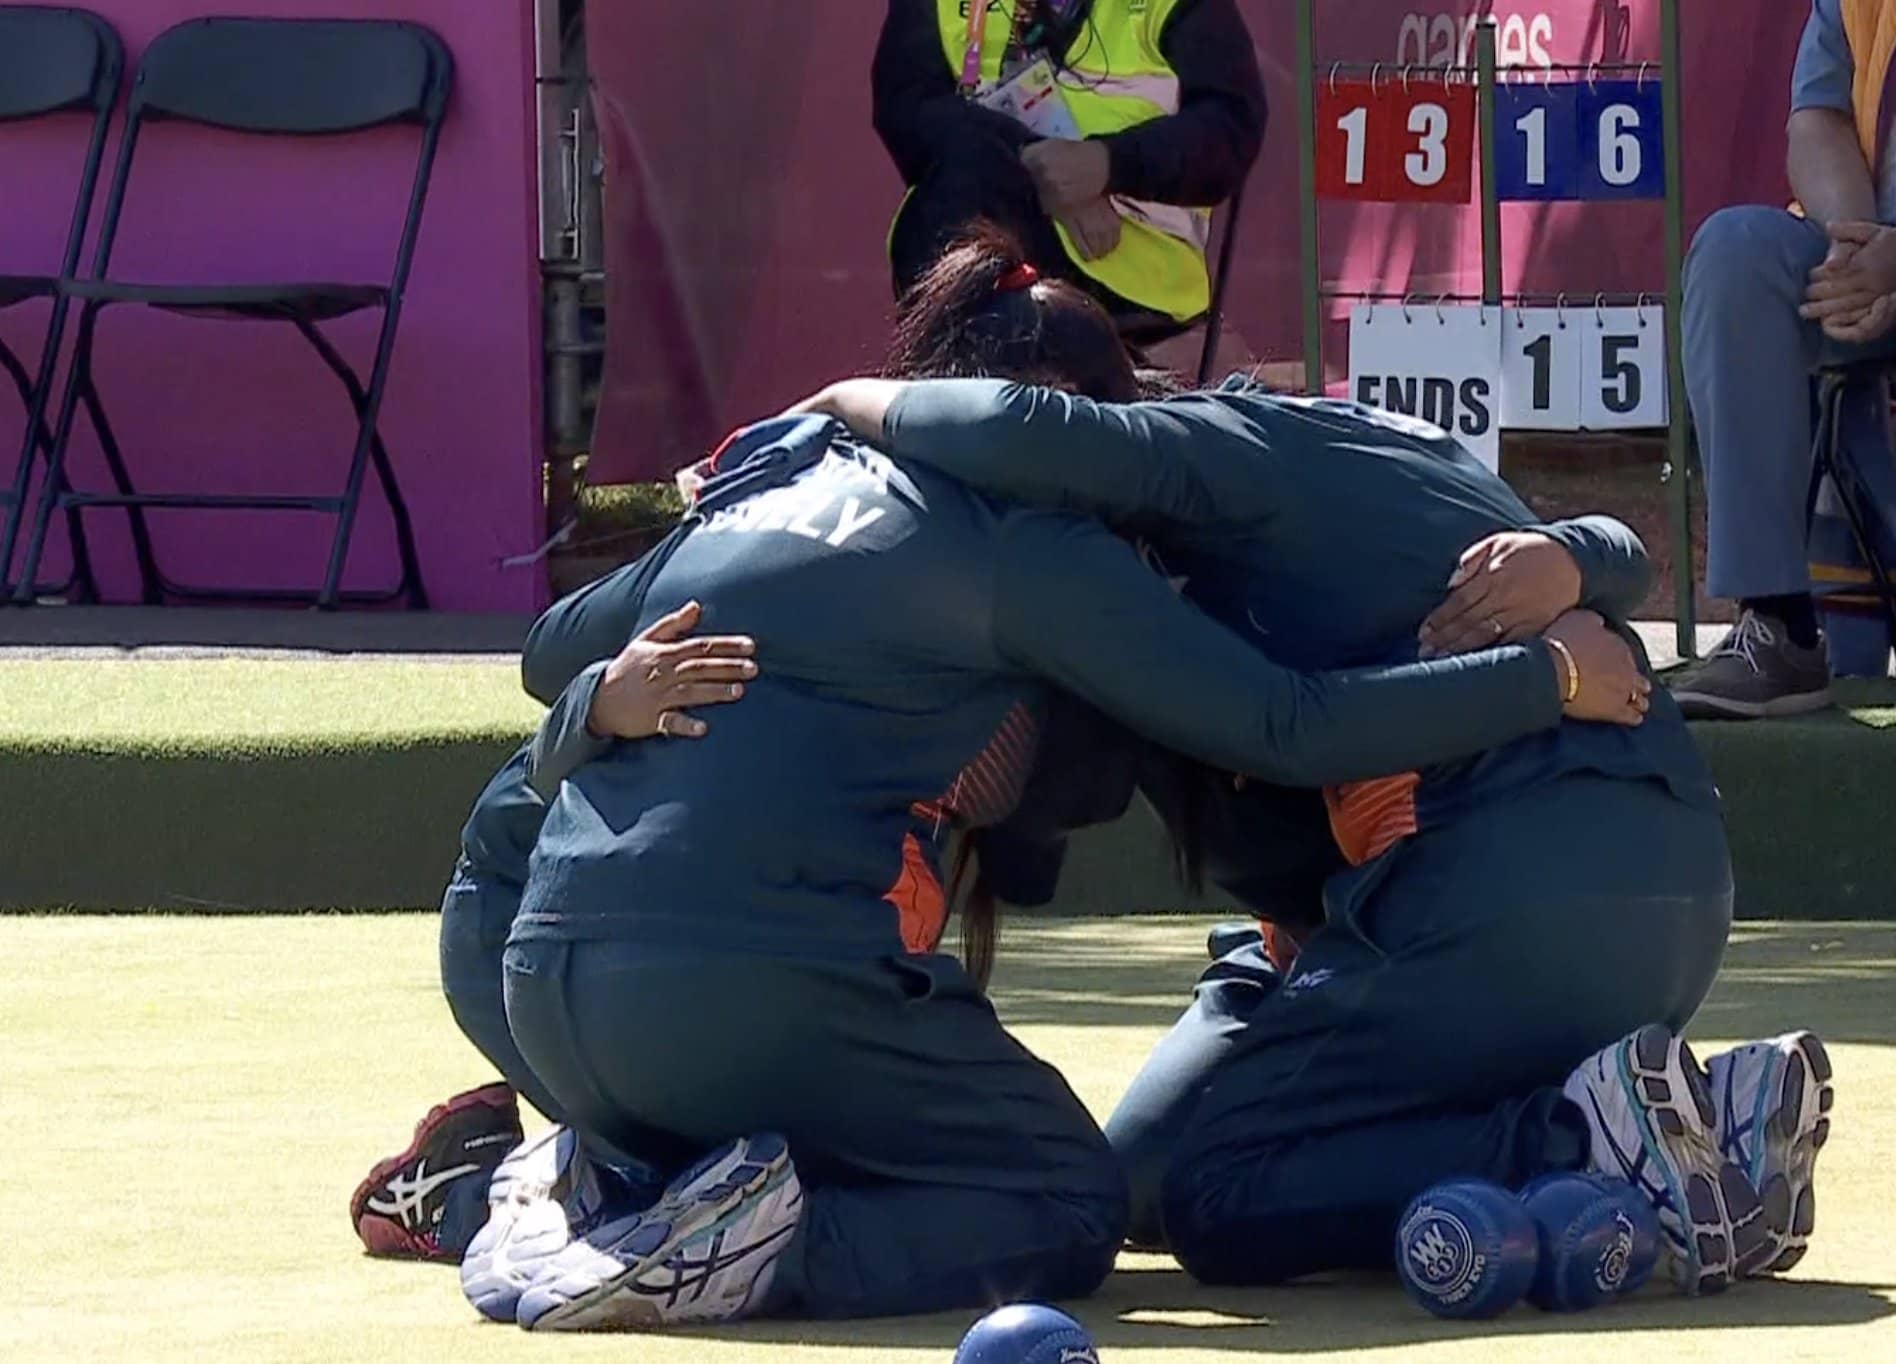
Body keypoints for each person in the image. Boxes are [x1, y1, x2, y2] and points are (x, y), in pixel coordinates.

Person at [365, 229, 1646, 1336]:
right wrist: (1548, 678)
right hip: (753, 985)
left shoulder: (771, 481)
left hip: (544, 987)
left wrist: (597, 697)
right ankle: (720, 1252)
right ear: (1071, 432)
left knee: (794, 1125)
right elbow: (1288, 722)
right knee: (1066, 1199)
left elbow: (546, 655)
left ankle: (552, 1188)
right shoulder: (1033, 546)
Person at [799, 373, 1833, 1293]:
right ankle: (1674, 1119)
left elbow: (1287, 720)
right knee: (1143, 1176)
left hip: (1503, 893)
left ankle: (1581, 1134)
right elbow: (1600, 552)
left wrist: (845, 400)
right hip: (1654, 903)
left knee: (1219, 1189)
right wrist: (1579, 564)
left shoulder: (1204, 463)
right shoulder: (1345, 472)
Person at [1671, 0, 1896, 718]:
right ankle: (1777, 626)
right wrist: (1855, 245)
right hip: (1865, 260)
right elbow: (1817, 120)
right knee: (1736, 254)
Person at [873, 0, 1265, 329]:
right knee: (959, 189)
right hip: (973, 224)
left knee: (961, 202)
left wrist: (1109, 165)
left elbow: (1231, 127)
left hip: (1125, 256)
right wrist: (1032, 162)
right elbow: (904, 107)